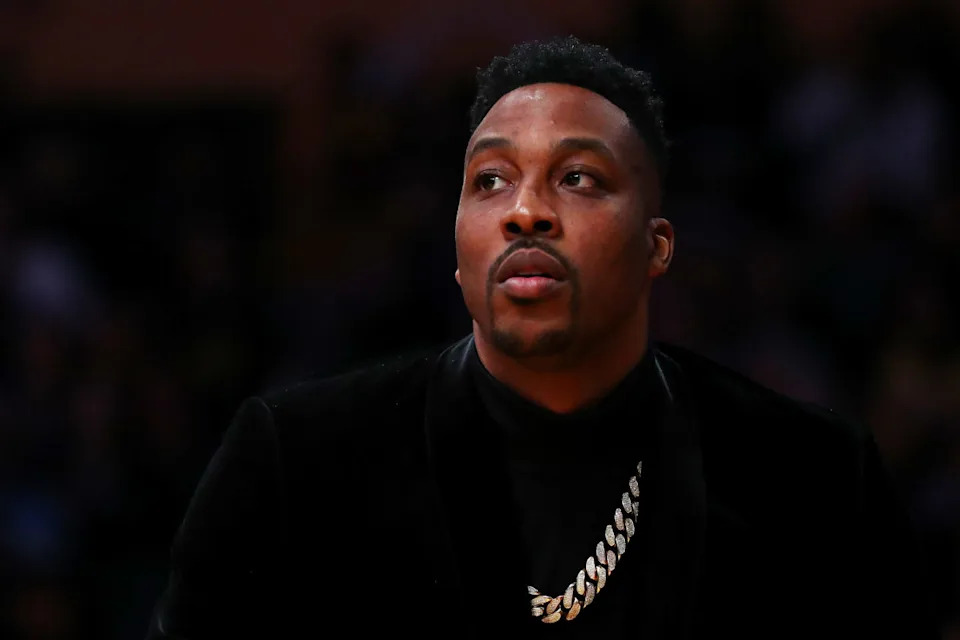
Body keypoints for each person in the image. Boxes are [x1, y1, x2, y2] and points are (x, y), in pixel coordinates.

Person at [146, 36, 936, 638]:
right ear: (457, 253)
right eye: (489, 181)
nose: (525, 211)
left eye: (578, 178)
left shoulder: (815, 481)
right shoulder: (296, 463)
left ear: (658, 246)